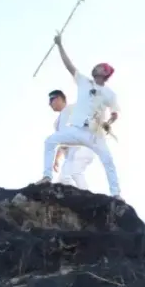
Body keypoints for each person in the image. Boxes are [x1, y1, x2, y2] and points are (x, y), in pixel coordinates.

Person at [35, 34, 122, 197]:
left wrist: (109, 122)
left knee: (108, 161)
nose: (95, 67)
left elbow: (115, 113)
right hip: (76, 130)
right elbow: (69, 66)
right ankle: (47, 176)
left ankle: (116, 194)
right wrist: (60, 45)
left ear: (104, 72)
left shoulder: (110, 94)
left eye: (99, 67)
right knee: (50, 141)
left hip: (95, 134)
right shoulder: (84, 81)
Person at [48, 89, 95, 190]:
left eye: (51, 100)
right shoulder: (57, 124)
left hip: (82, 148)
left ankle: (87, 198)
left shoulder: (73, 109)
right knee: (63, 180)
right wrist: (57, 159)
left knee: (75, 172)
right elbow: (63, 142)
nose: (49, 103)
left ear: (59, 98)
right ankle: (78, 201)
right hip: (71, 154)